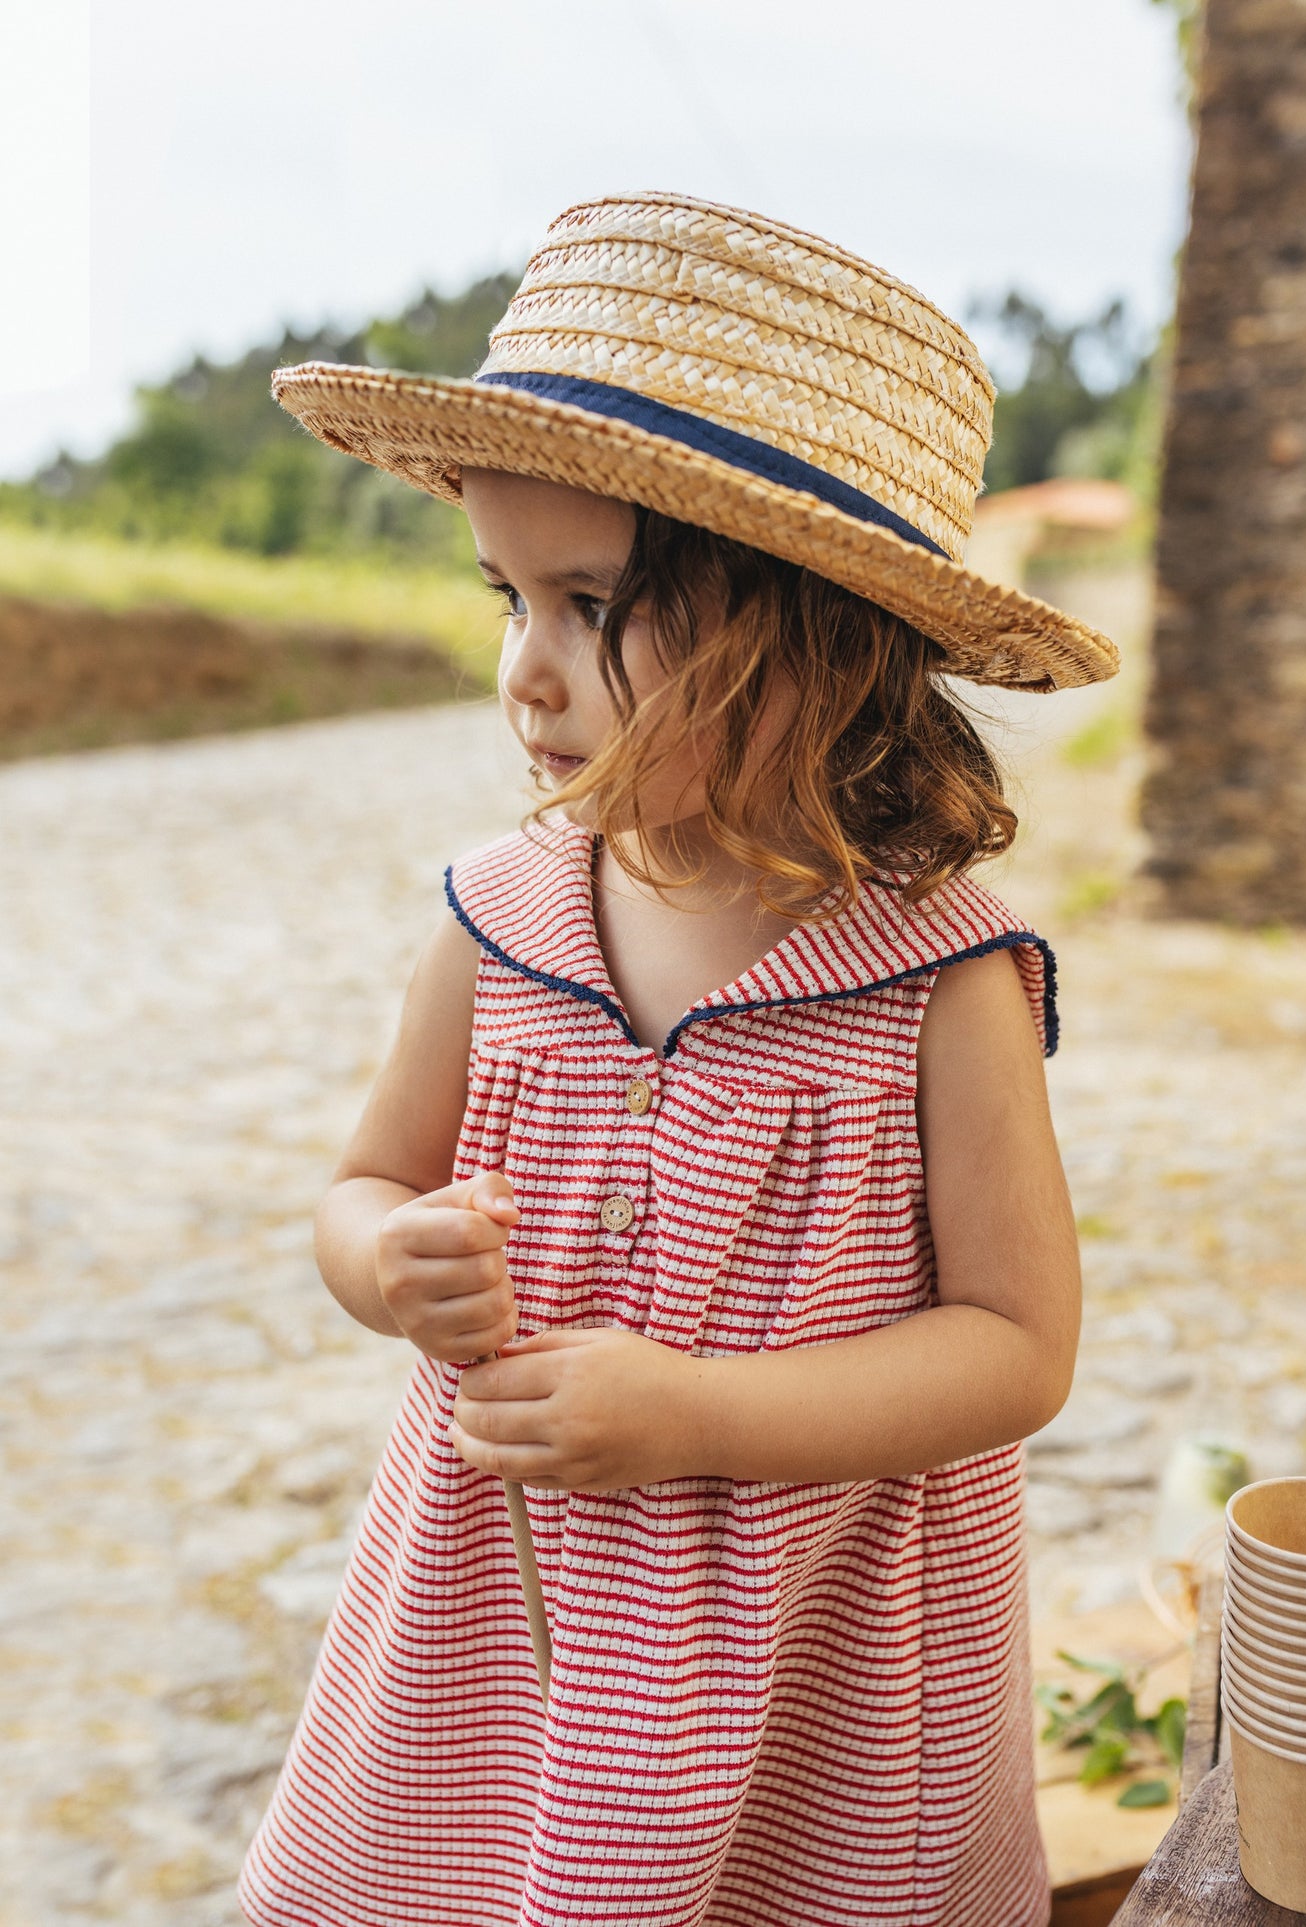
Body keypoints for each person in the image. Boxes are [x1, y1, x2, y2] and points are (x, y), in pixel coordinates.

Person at [237, 189, 1119, 1927]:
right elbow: (361, 1184)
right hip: (508, 1610)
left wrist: (696, 1413)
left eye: (587, 604)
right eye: (507, 596)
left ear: (809, 641)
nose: (524, 673)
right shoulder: (503, 922)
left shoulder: (939, 977)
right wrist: (381, 1261)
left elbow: (1019, 1349)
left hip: (820, 1640)